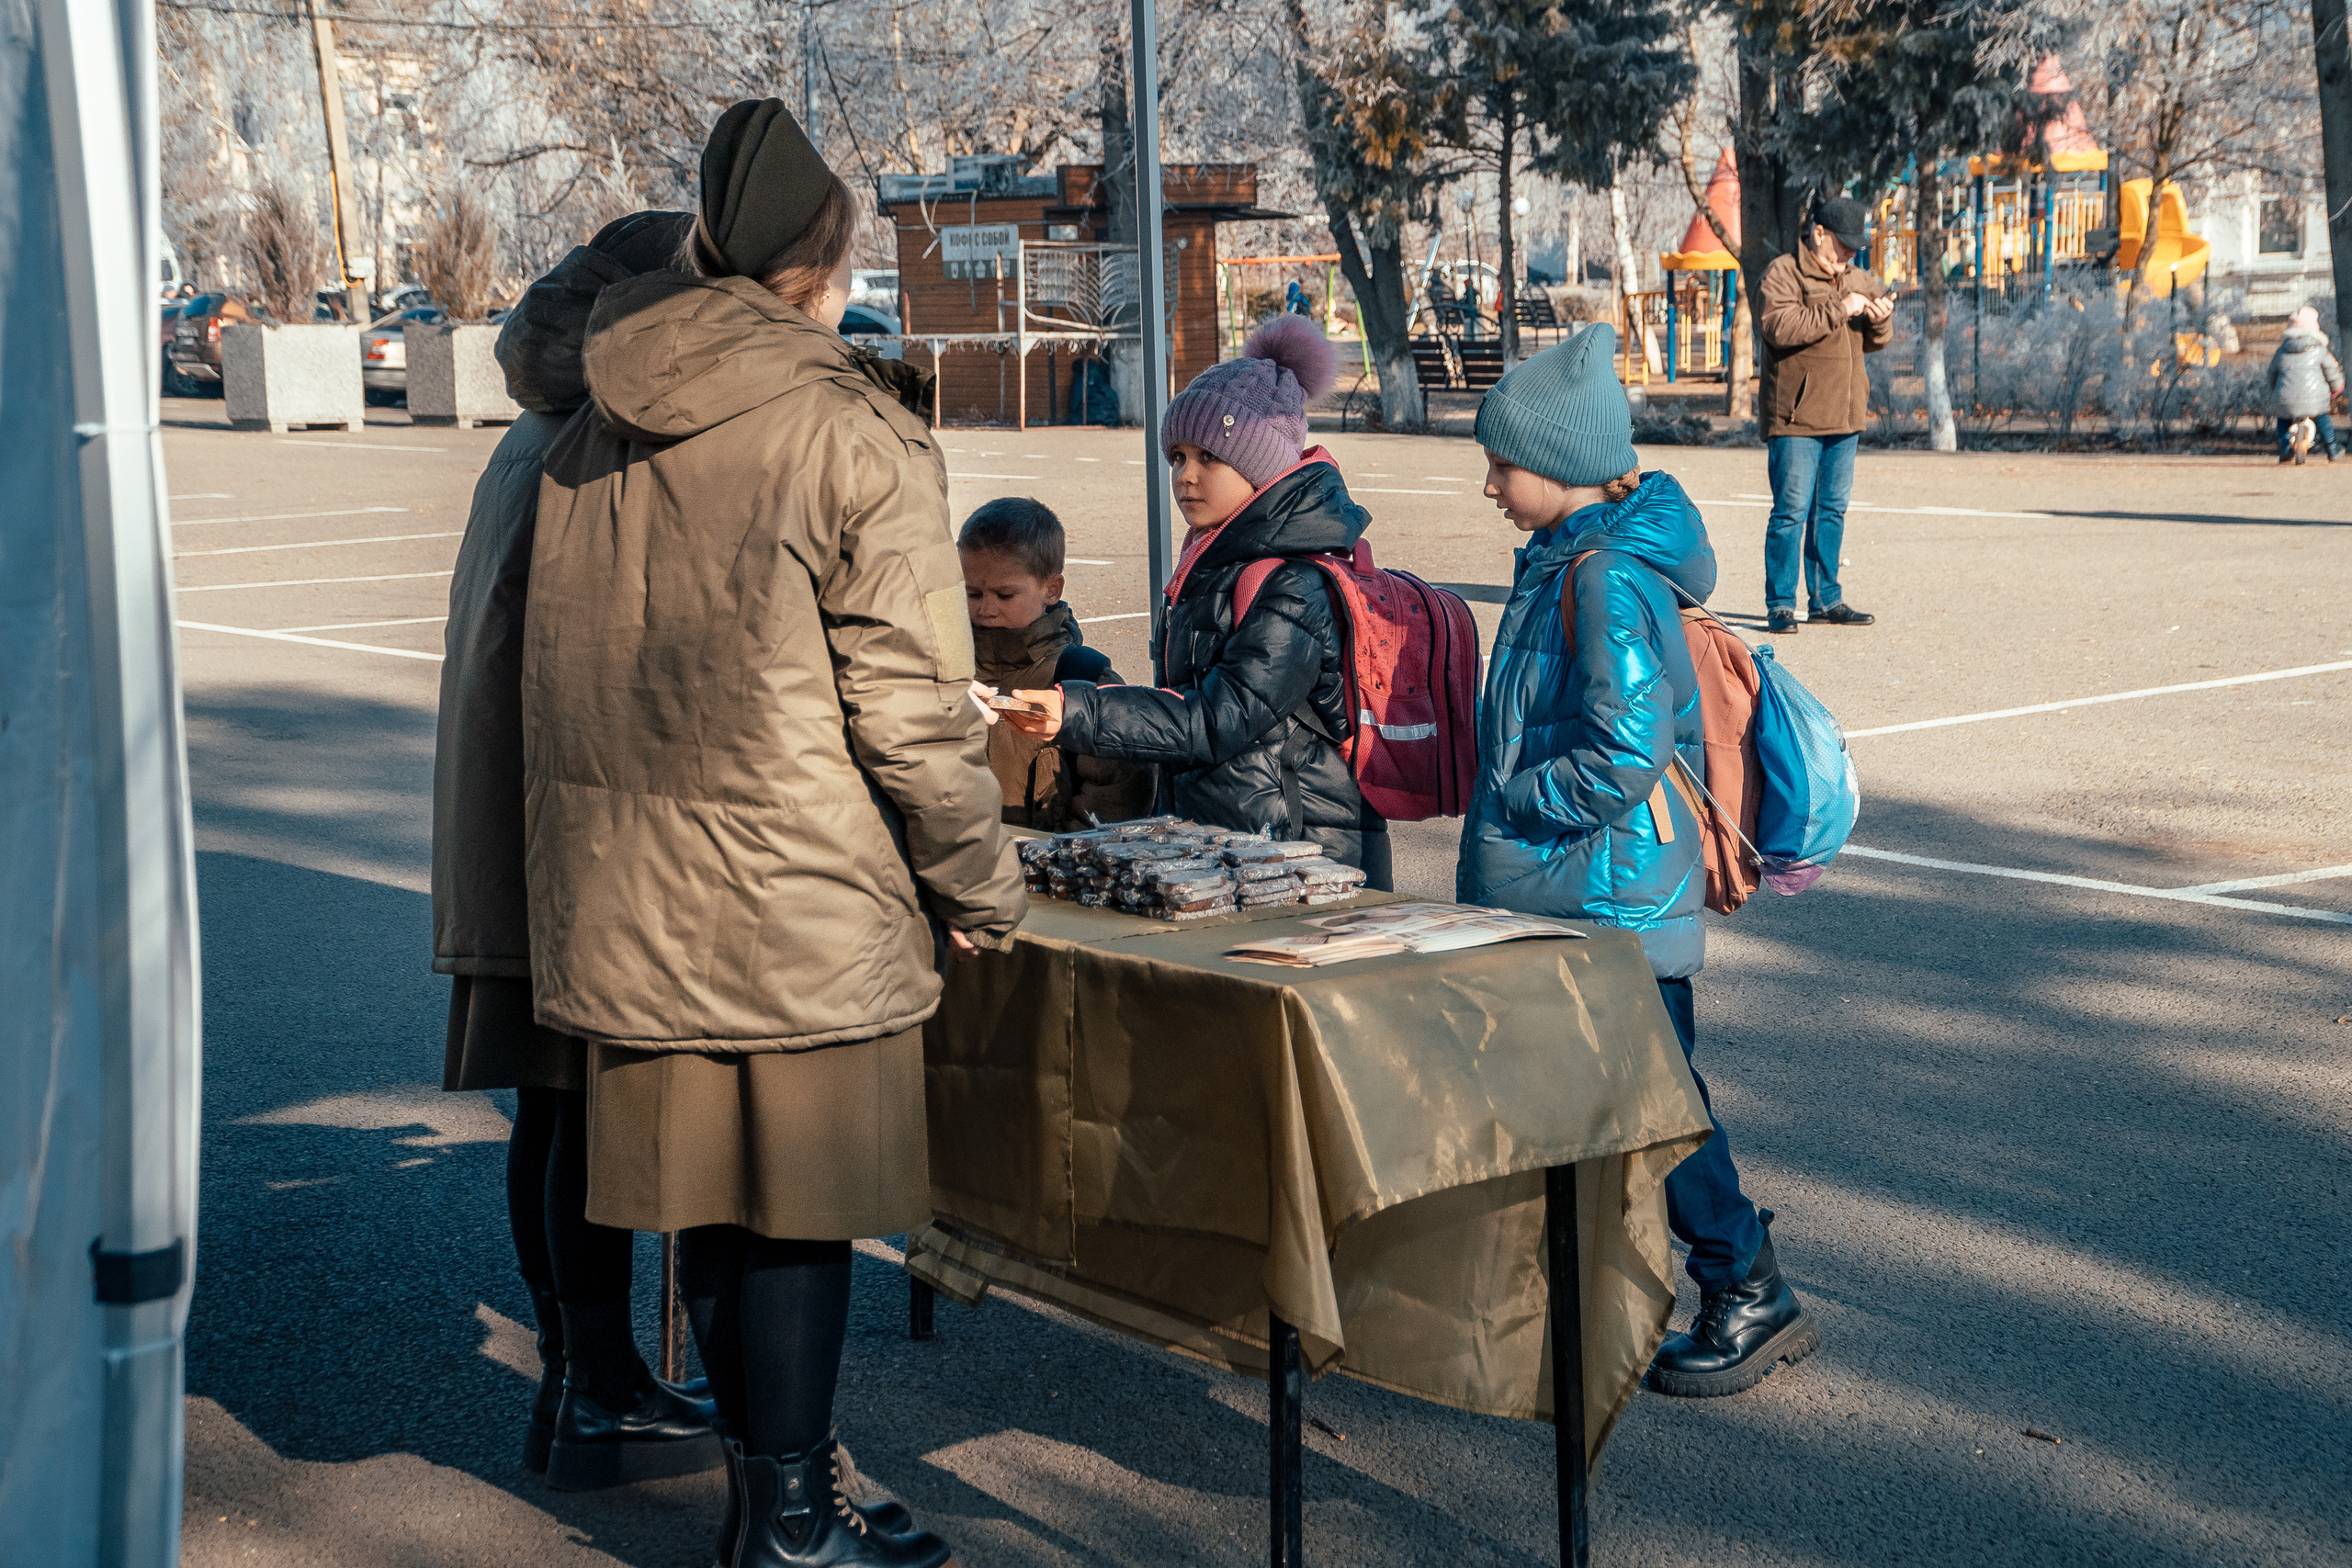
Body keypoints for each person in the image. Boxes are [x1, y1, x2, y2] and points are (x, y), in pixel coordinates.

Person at [523, 99, 1023, 1568]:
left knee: (713, 1211)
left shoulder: (590, 420)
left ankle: (772, 1506)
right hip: (801, 887)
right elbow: (917, 708)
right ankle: (792, 1521)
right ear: (824, 260)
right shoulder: (850, 424)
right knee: (795, 1216)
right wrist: (979, 880)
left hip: (634, 887)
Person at [1458, 323, 1818, 1400]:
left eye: (1500, 465)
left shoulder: (1602, 578)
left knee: (1657, 1110)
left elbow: (1624, 745)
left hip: (1604, 892)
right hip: (1588, 888)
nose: (1487, 486)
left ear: (1562, 468)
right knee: (1626, 1101)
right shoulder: (1571, 559)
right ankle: (1620, 1288)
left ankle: (1744, 1283)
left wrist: (1515, 801)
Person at [433, 207, 722, 1489]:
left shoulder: (544, 414)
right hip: (578, 810)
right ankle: (597, 1383)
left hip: (521, 806)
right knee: (590, 1107)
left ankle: (580, 1372)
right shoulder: (605, 433)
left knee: (554, 1105)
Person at [998, 317, 1392, 886]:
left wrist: (1079, 710)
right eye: (1177, 456)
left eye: (1209, 456)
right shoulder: (1213, 561)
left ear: (1264, 466)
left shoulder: (1294, 584)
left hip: (1304, 860)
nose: (1186, 476)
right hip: (1237, 848)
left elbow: (1217, 717)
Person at [960, 497, 1156, 829]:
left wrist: (1063, 856)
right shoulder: (948, 672)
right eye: (972, 593)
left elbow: (1119, 794)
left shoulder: (1083, 676)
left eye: (1005, 595)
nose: (985, 608)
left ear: (1051, 589)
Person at [1756, 196, 1893, 635]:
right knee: (1791, 512)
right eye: (1844, 244)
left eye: (1856, 246)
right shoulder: (1783, 273)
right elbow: (1779, 328)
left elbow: (1875, 342)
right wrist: (1842, 307)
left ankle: (1826, 600)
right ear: (1818, 234)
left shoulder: (1857, 278)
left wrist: (1880, 318)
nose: (1851, 254)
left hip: (1846, 415)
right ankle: (1780, 604)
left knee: (1832, 511)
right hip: (1796, 418)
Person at [2267, 305, 2344, 464]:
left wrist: (2274, 389)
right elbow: (2332, 372)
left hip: (2285, 398)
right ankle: (2332, 448)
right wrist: (2337, 388)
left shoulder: (2281, 351)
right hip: (2314, 398)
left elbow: (2272, 374)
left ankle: (2286, 447)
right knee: (2322, 417)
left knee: (2283, 419)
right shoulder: (2320, 351)